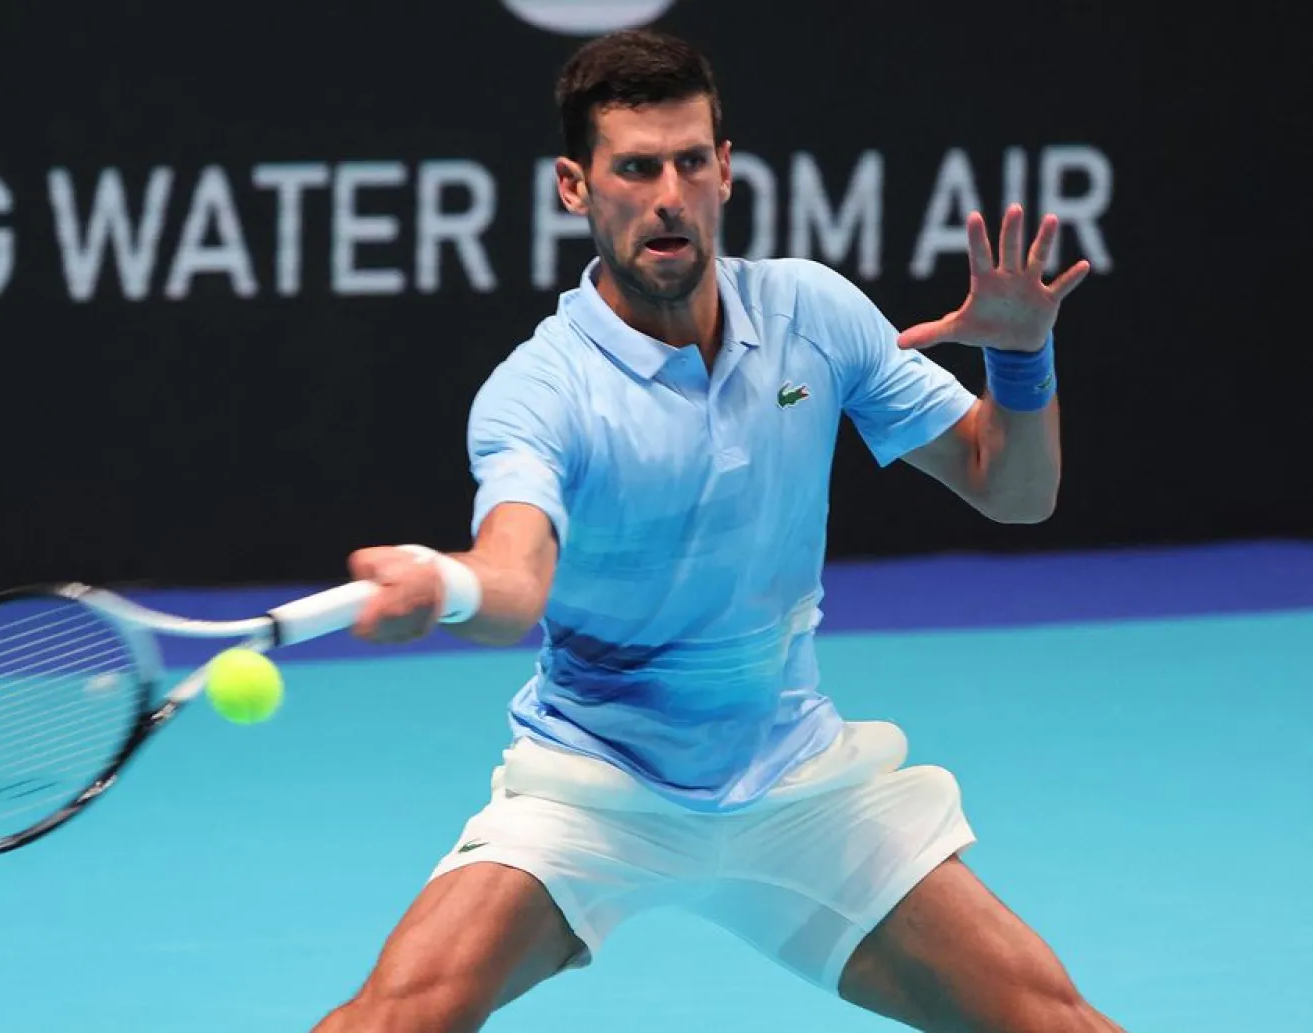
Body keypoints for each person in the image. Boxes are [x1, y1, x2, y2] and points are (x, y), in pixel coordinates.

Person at [313, 28, 1122, 1033]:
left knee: (1061, 1023)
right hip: (596, 782)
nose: (669, 194)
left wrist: (1023, 362)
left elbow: (1014, 490)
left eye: (692, 162)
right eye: (637, 167)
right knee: (389, 1022)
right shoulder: (542, 390)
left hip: (797, 778)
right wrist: (444, 586)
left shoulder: (814, 316)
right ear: (575, 186)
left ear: (726, 171)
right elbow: (514, 579)